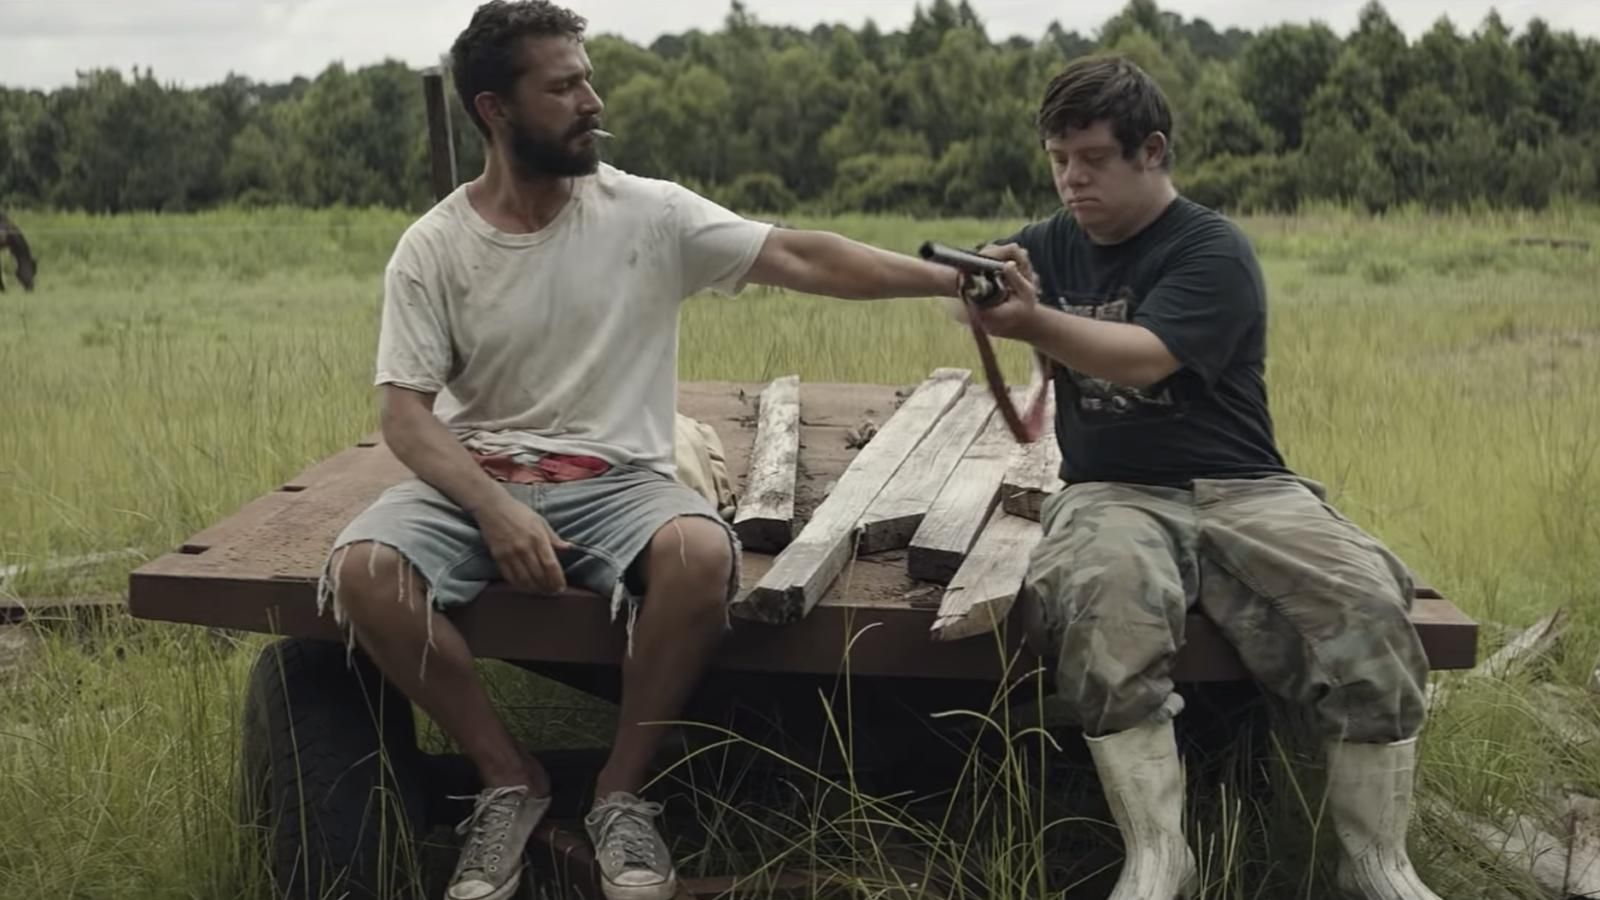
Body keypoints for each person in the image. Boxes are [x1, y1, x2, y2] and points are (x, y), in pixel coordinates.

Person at [312, 3, 962, 900]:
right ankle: (511, 779)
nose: (592, 98)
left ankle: (621, 791)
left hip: (616, 478)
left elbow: (803, 256)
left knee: (699, 554)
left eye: (588, 76)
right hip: (482, 474)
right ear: (495, 110)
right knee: (364, 574)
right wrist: (495, 508)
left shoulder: (646, 214)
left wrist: (952, 277)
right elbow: (407, 417)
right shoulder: (434, 247)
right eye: (564, 84)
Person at [963, 56, 1443, 900]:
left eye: (1094, 159)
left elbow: (1148, 359)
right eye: (1057, 158)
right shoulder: (1045, 244)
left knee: (1364, 601)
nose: (1072, 179)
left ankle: (1374, 862)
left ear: (1151, 151)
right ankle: (1158, 856)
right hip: (1110, 490)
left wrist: (1034, 317)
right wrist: (980, 287)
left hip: (1244, 484)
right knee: (1105, 596)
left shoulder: (1210, 248)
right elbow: (994, 300)